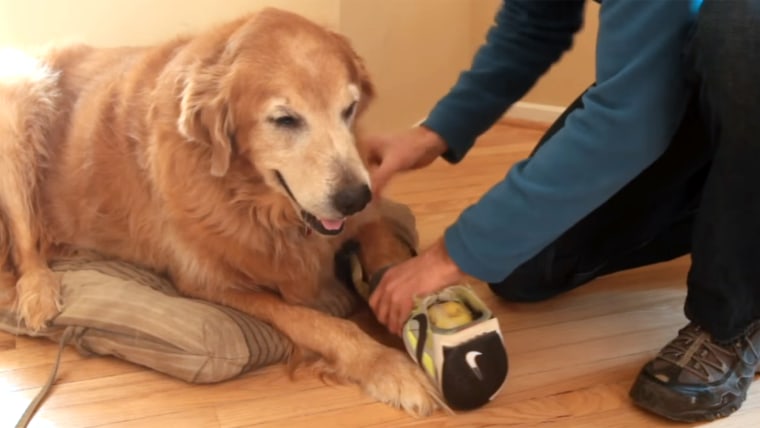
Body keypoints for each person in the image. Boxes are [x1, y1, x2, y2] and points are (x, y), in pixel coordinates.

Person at [364, 0, 760, 422]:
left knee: (741, 27)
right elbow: (535, 24)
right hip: (715, 83)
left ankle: (735, 319)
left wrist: (451, 255)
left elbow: (626, 125)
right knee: (527, 266)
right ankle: (735, 206)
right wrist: (436, 132)